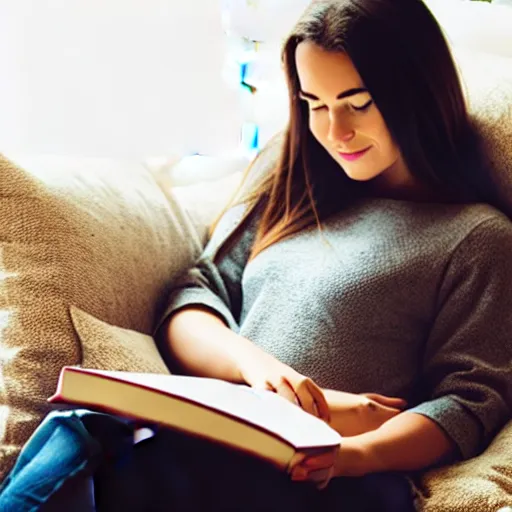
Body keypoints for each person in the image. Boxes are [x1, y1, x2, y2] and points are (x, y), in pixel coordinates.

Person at [1, 0, 511, 510]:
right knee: (81, 431)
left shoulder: (476, 236)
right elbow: (195, 297)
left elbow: (470, 401)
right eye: (315, 103)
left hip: (335, 474)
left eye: (358, 103)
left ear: (418, 92)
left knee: (107, 452)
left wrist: (355, 454)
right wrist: (256, 368)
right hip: (225, 435)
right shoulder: (296, 187)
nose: (336, 131)